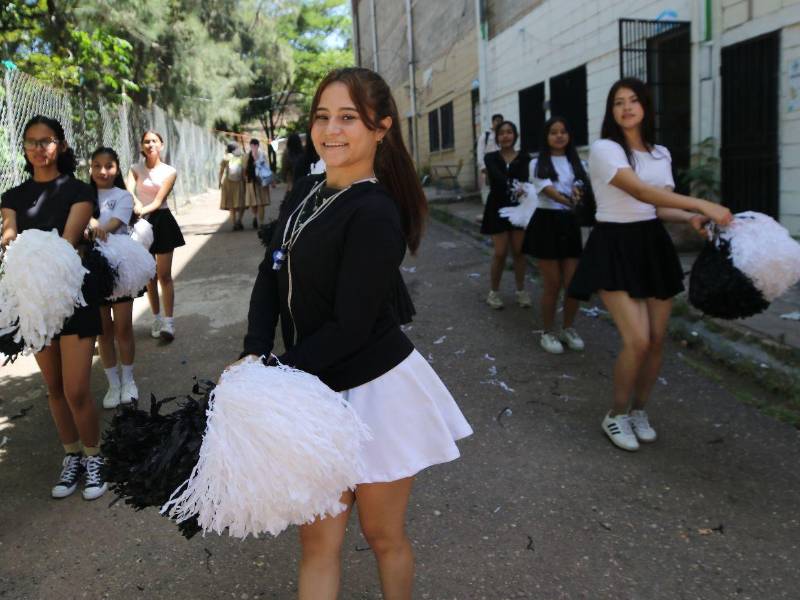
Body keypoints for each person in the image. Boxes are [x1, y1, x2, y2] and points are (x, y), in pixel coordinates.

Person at [240, 66, 472, 600]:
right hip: (309, 389)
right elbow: (269, 274)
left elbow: (351, 327)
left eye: (349, 117)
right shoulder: (305, 190)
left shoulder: (376, 212)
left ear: (381, 127)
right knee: (317, 546)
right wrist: (254, 352)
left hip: (375, 392)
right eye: (323, 117)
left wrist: (272, 376)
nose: (332, 130)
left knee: (382, 535)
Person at [568, 78, 732, 452]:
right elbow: (639, 191)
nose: (626, 107)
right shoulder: (605, 148)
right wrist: (704, 206)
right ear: (611, 111)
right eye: (618, 102)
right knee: (637, 339)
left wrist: (688, 218)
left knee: (657, 341)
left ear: (645, 107)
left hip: (652, 244)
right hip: (613, 243)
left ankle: (638, 411)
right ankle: (615, 413)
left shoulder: (660, 154)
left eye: (633, 101)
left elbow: (657, 206)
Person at [0, 115, 107, 501]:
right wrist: (10, 244)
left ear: (60, 145)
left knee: (77, 389)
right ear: (24, 148)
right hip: (36, 303)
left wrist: (35, 250)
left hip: (73, 297)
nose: (39, 149)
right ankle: (72, 455)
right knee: (55, 388)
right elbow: (9, 234)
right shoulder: (12, 197)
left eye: (46, 141)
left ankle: (95, 455)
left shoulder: (78, 190)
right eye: (31, 142)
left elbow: (68, 241)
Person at [523, 117, 588, 354]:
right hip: (547, 223)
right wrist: (571, 201)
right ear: (546, 137)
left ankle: (567, 328)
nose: (559, 136)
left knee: (573, 284)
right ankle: (548, 332)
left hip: (569, 224)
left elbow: (580, 187)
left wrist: (578, 198)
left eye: (563, 131)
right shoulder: (536, 163)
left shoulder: (578, 162)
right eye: (553, 132)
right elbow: (549, 191)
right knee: (552, 284)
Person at [86, 146, 139, 408]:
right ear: (90, 168)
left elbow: (115, 224)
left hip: (120, 265)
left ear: (117, 168)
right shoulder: (82, 196)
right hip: (91, 267)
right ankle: (113, 383)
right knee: (103, 331)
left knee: (123, 328)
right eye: (97, 166)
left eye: (108, 166)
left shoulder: (123, 196)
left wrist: (95, 227)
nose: (102, 171)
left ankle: (129, 380)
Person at [128, 130, 184, 342]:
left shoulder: (170, 171)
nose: (150, 145)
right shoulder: (135, 169)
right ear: (142, 146)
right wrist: (135, 202)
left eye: (154, 141)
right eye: (146, 142)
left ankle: (169, 322)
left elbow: (159, 200)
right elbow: (129, 189)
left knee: (164, 275)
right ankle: (157, 318)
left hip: (161, 220)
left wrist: (141, 209)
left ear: (161, 145)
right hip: (141, 223)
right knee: (149, 276)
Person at [480, 120, 532, 310]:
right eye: (502, 133)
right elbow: (499, 179)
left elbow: (527, 180)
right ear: (497, 137)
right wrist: (517, 185)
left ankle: (521, 291)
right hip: (497, 208)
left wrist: (524, 187)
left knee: (519, 252)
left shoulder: (525, 158)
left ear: (515, 135)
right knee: (500, 253)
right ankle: (493, 292)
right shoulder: (490, 157)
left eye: (509, 132)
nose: (506, 136)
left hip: (519, 208)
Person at [244, 138, 271, 229]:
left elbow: (244, 169)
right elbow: (267, 167)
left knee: (254, 202)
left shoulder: (247, 156)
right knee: (261, 202)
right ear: (258, 145)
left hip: (251, 182)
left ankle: (255, 217)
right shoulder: (263, 154)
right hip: (261, 181)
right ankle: (261, 221)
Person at [476, 113, 503, 205]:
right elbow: (480, 153)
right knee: (487, 191)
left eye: (500, 121)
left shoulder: (502, 136)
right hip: (487, 169)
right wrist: (484, 168)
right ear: (492, 122)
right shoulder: (485, 136)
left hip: (499, 168)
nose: (498, 123)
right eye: (497, 121)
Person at [219, 141, 246, 231]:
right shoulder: (241, 157)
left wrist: (219, 182)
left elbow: (221, 171)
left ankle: (234, 223)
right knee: (241, 202)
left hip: (228, 183)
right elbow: (243, 171)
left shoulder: (225, 158)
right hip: (239, 182)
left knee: (232, 204)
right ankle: (239, 220)